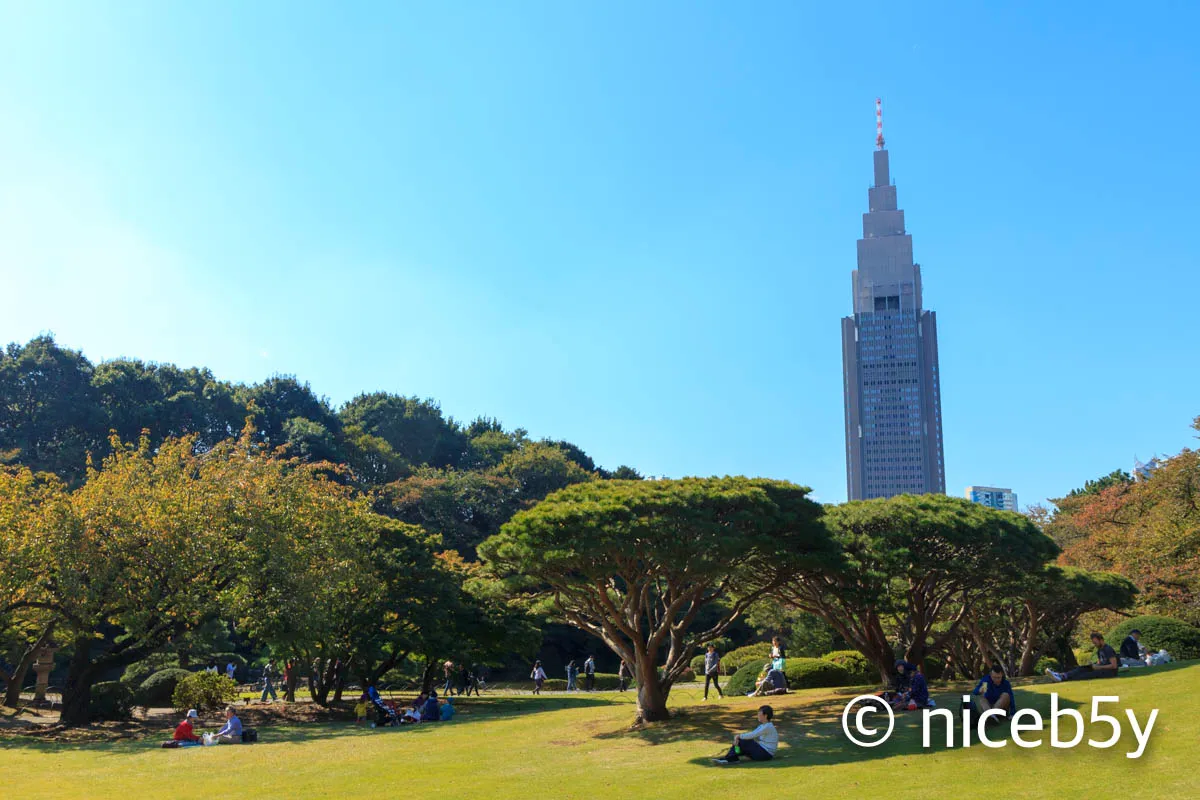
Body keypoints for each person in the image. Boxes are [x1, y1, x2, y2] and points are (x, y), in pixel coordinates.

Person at [713, 705, 778, 764]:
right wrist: (739, 738)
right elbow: (752, 734)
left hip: (766, 754)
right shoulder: (763, 726)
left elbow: (753, 735)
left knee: (744, 741)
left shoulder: (768, 727)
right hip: (763, 752)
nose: (757, 715)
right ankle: (730, 758)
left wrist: (739, 736)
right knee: (742, 742)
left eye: (759, 714)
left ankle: (731, 758)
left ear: (765, 715)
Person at [1046, 633, 1120, 682]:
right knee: (1081, 668)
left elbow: (1114, 666)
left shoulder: (1108, 649)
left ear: (1101, 640)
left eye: (1095, 643)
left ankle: (1062, 678)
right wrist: (1094, 665)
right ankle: (1062, 675)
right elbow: (1101, 662)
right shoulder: (1099, 650)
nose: (1095, 645)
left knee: (1082, 676)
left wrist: (1099, 667)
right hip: (1101, 669)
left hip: (1109, 672)